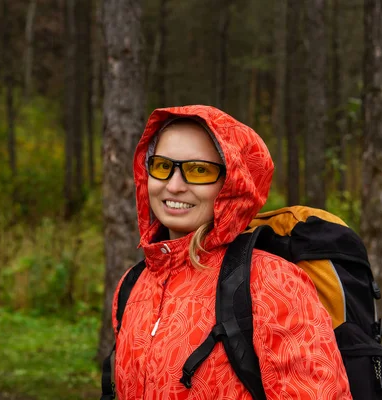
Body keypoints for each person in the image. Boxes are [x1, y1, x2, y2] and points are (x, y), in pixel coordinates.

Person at [111, 105, 352, 399]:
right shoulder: (133, 284)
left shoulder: (272, 283)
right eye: (162, 166)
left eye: (199, 171)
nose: (173, 186)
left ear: (233, 184)